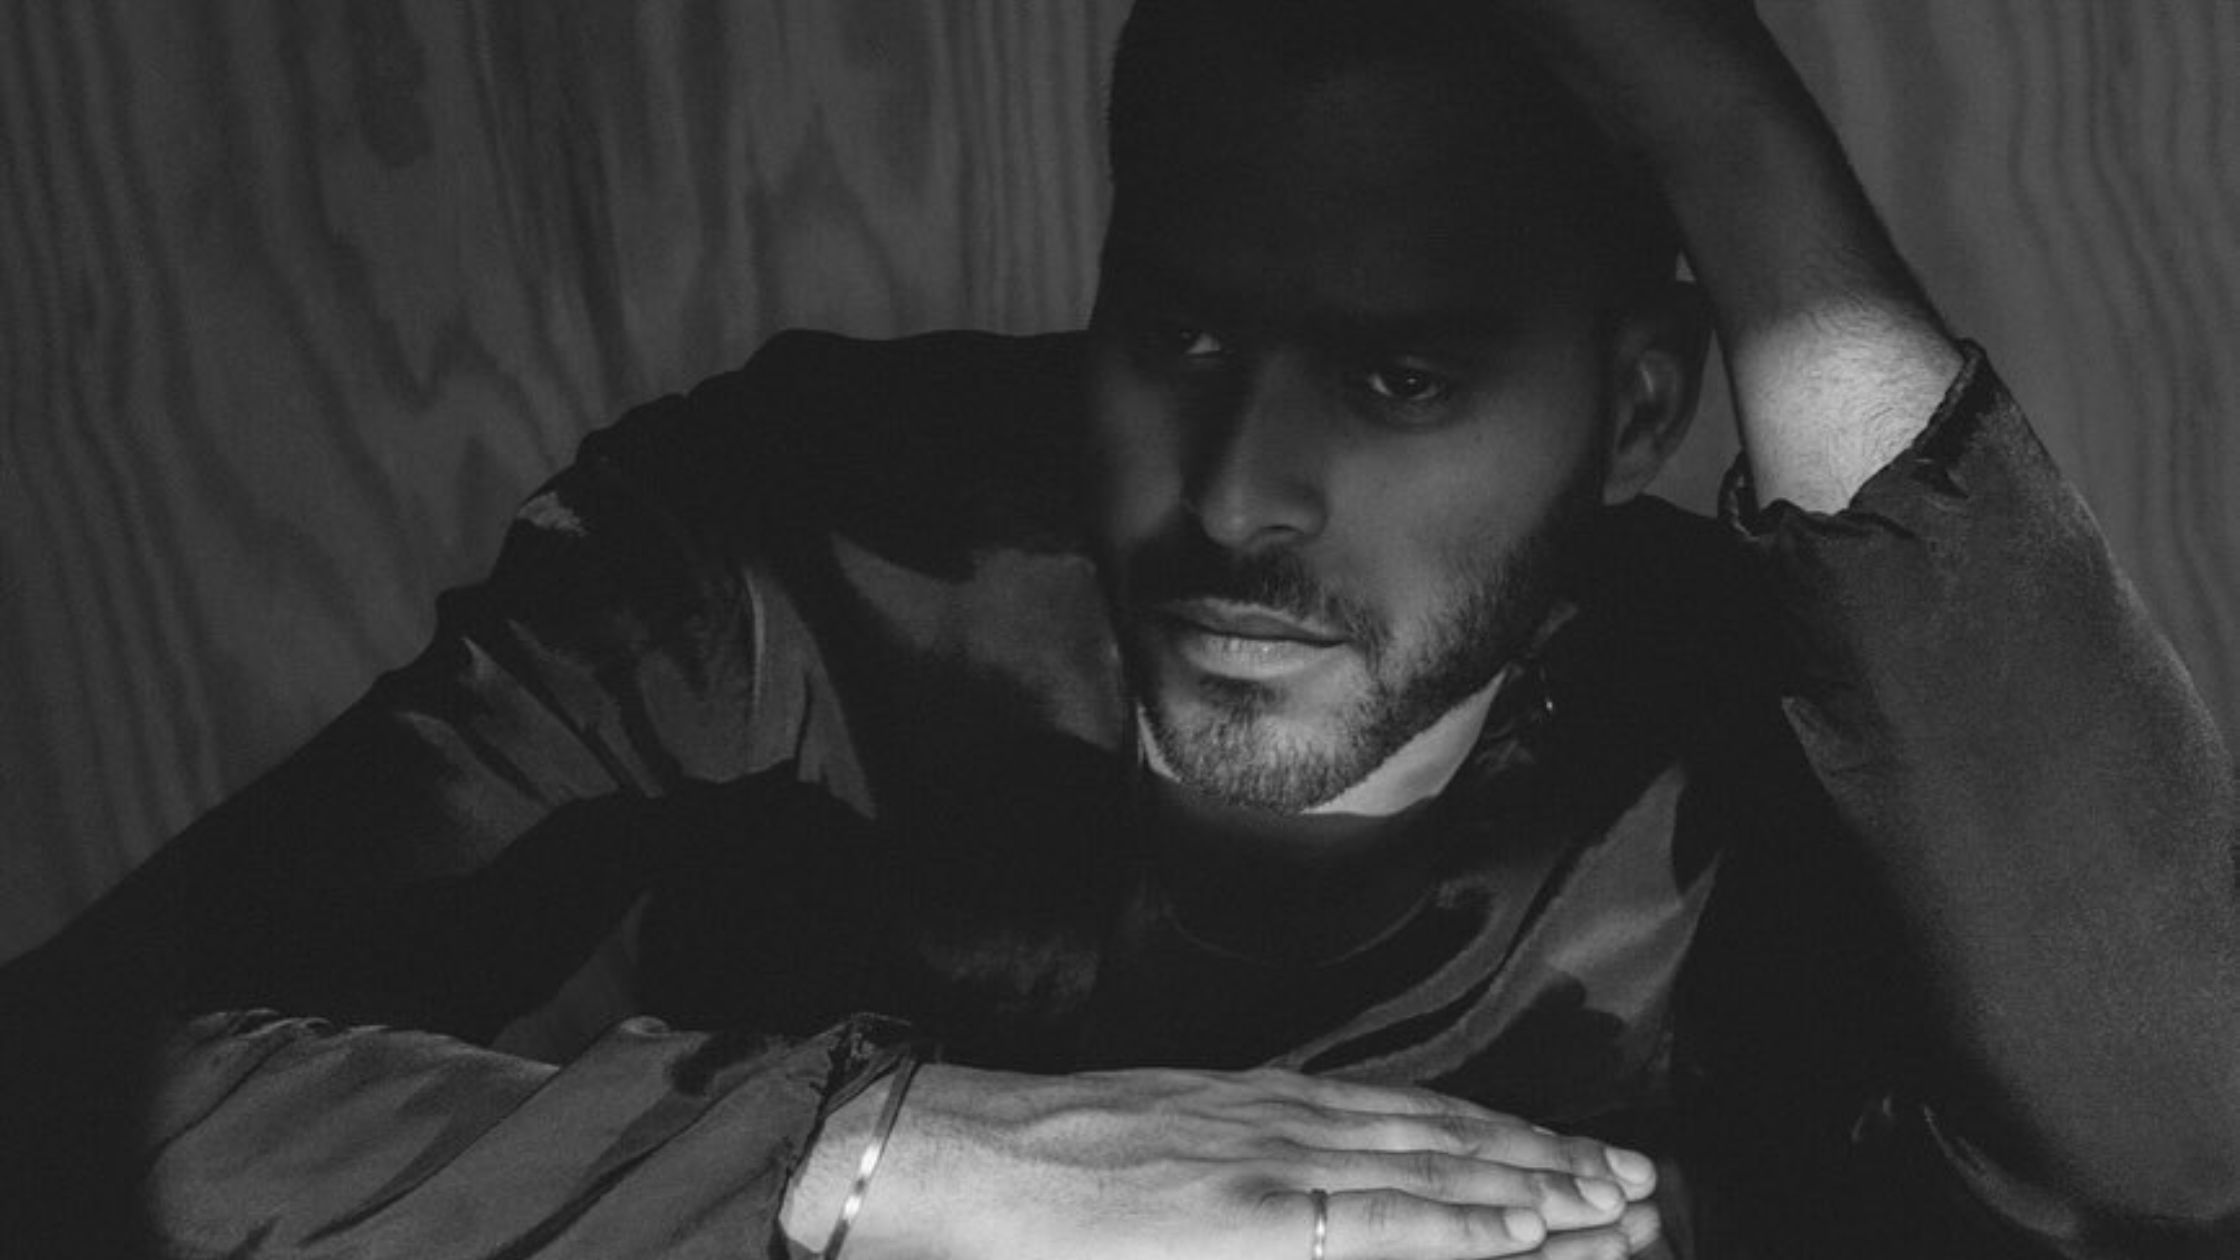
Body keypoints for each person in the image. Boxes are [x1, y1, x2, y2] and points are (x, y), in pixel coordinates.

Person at [4, 0, 2237, 1256]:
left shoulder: (1765, 737)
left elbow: (2184, 1154)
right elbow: (71, 1103)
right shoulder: (786, 557)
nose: (1239, 487)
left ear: (1645, 402)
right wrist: (890, 1153)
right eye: (1175, 332)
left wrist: (1723, 123)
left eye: (1398, 380)